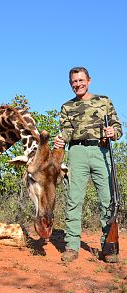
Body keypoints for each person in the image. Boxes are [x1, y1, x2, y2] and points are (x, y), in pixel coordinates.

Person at [53, 66, 123, 263]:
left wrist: (113, 133)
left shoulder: (104, 101)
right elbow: (66, 131)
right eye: (74, 82)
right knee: (74, 200)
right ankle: (71, 246)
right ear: (71, 84)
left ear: (89, 80)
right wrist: (60, 140)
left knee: (108, 200)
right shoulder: (67, 107)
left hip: (102, 152)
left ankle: (108, 247)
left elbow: (117, 128)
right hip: (77, 152)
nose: (78, 84)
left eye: (81, 80)